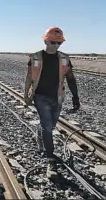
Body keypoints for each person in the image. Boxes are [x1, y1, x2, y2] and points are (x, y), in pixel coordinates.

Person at [24, 27, 80, 179]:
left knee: (49, 125)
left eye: (59, 43)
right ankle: (50, 159)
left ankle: (39, 135)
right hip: (40, 96)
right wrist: (26, 96)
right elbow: (29, 77)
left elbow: (70, 78)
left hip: (57, 97)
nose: (55, 45)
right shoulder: (35, 57)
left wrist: (76, 97)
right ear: (45, 41)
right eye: (53, 42)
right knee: (47, 126)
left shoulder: (64, 58)